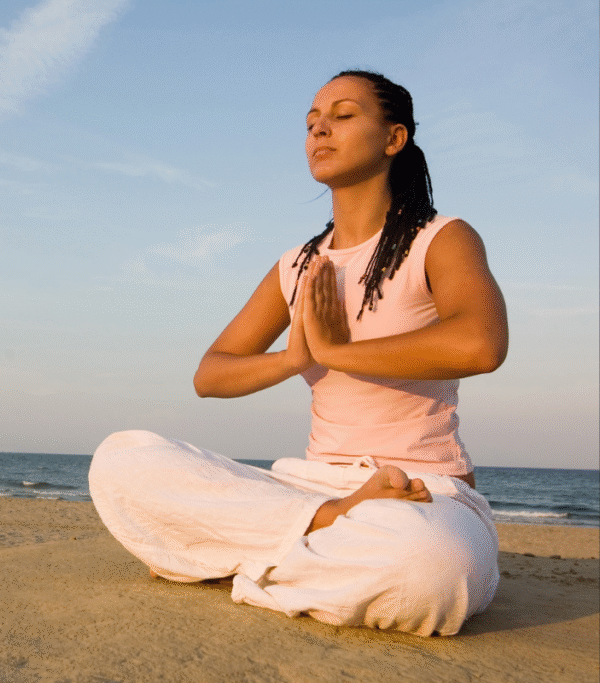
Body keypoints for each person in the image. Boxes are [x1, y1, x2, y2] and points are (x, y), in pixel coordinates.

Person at [88, 70, 509, 637]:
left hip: (421, 491)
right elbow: (210, 374)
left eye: (342, 115)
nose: (319, 131)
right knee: (122, 459)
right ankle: (323, 528)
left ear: (394, 138)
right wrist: (293, 359)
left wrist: (335, 351)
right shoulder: (297, 264)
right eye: (311, 123)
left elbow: (480, 344)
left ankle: (239, 560)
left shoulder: (441, 238)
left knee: (434, 569)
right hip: (311, 491)